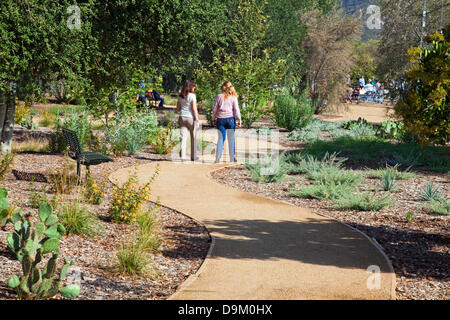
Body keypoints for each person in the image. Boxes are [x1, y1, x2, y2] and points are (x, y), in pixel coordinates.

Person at [212, 81, 241, 163]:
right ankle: (232, 158)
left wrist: (213, 118)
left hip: (220, 119)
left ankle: (218, 156)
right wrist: (239, 119)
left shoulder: (219, 96)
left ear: (222, 87)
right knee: (231, 139)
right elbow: (236, 109)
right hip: (230, 119)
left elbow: (215, 109)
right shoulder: (233, 97)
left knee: (221, 138)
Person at [176, 80, 199, 161]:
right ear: (190, 87)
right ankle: (193, 157)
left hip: (182, 117)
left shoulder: (180, 96)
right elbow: (194, 108)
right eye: (194, 86)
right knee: (193, 137)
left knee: (183, 137)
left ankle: (183, 156)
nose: (194, 88)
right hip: (190, 118)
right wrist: (197, 119)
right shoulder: (192, 96)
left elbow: (177, 109)